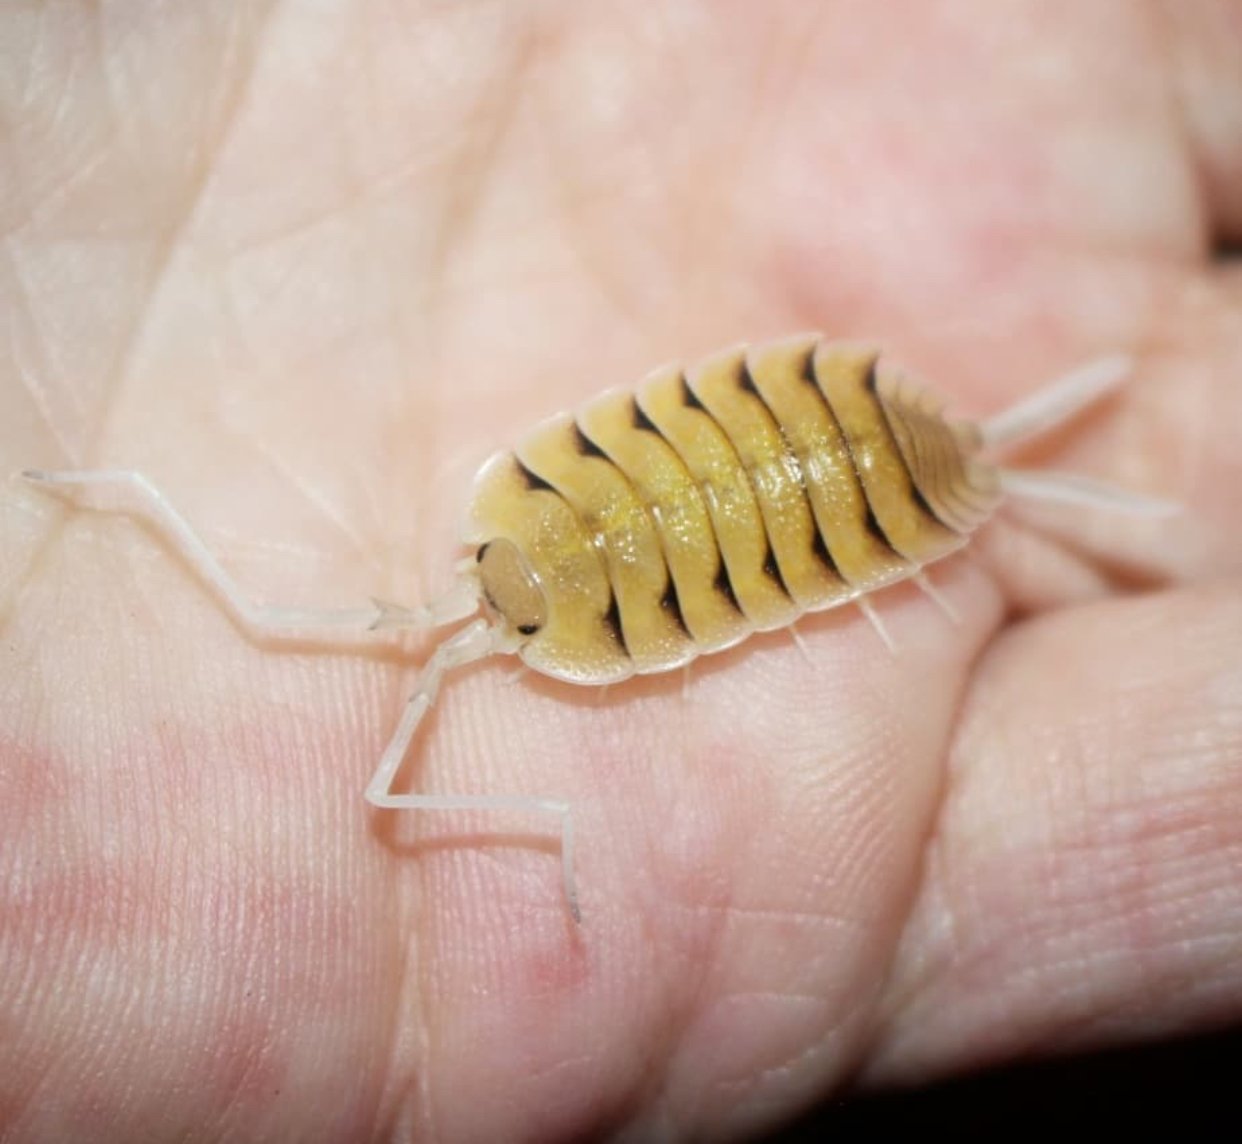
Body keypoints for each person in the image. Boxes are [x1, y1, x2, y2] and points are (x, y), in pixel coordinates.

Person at [3, 3, 1239, 1139]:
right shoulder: (531, 518)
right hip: (820, 468)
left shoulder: (567, 571)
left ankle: (1019, 472)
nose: (481, 605)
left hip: (845, 437)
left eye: (493, 575)